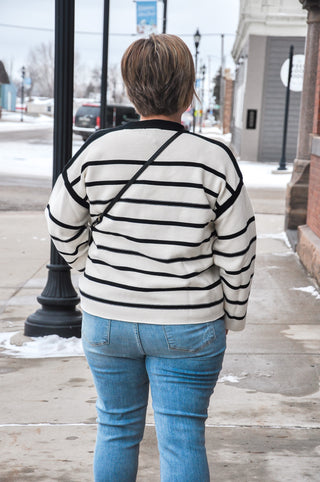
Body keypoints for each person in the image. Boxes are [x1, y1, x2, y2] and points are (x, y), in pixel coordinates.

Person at [46, 34, 256, 482]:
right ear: (187, 88)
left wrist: (89, 275)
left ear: (130, 87)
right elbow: (239, 246)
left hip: (107, 318)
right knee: (182, 436)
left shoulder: (96, 152)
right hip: (189, 321)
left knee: (116, 428)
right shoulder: (214, 159)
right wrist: (232, 313)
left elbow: (60, 223)